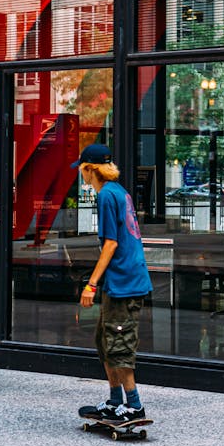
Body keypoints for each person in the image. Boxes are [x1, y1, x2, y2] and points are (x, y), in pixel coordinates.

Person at [74, 143, 153, 424]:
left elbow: (110, 244)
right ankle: (115, 401)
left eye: (82, 169)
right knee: (104, 342)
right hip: (120, 281)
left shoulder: (107, 195)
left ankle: (134, 406)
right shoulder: (119, 191)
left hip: (125, 283)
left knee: (118, 345)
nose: (80, 175)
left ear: (90, 169)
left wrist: (90, 284)